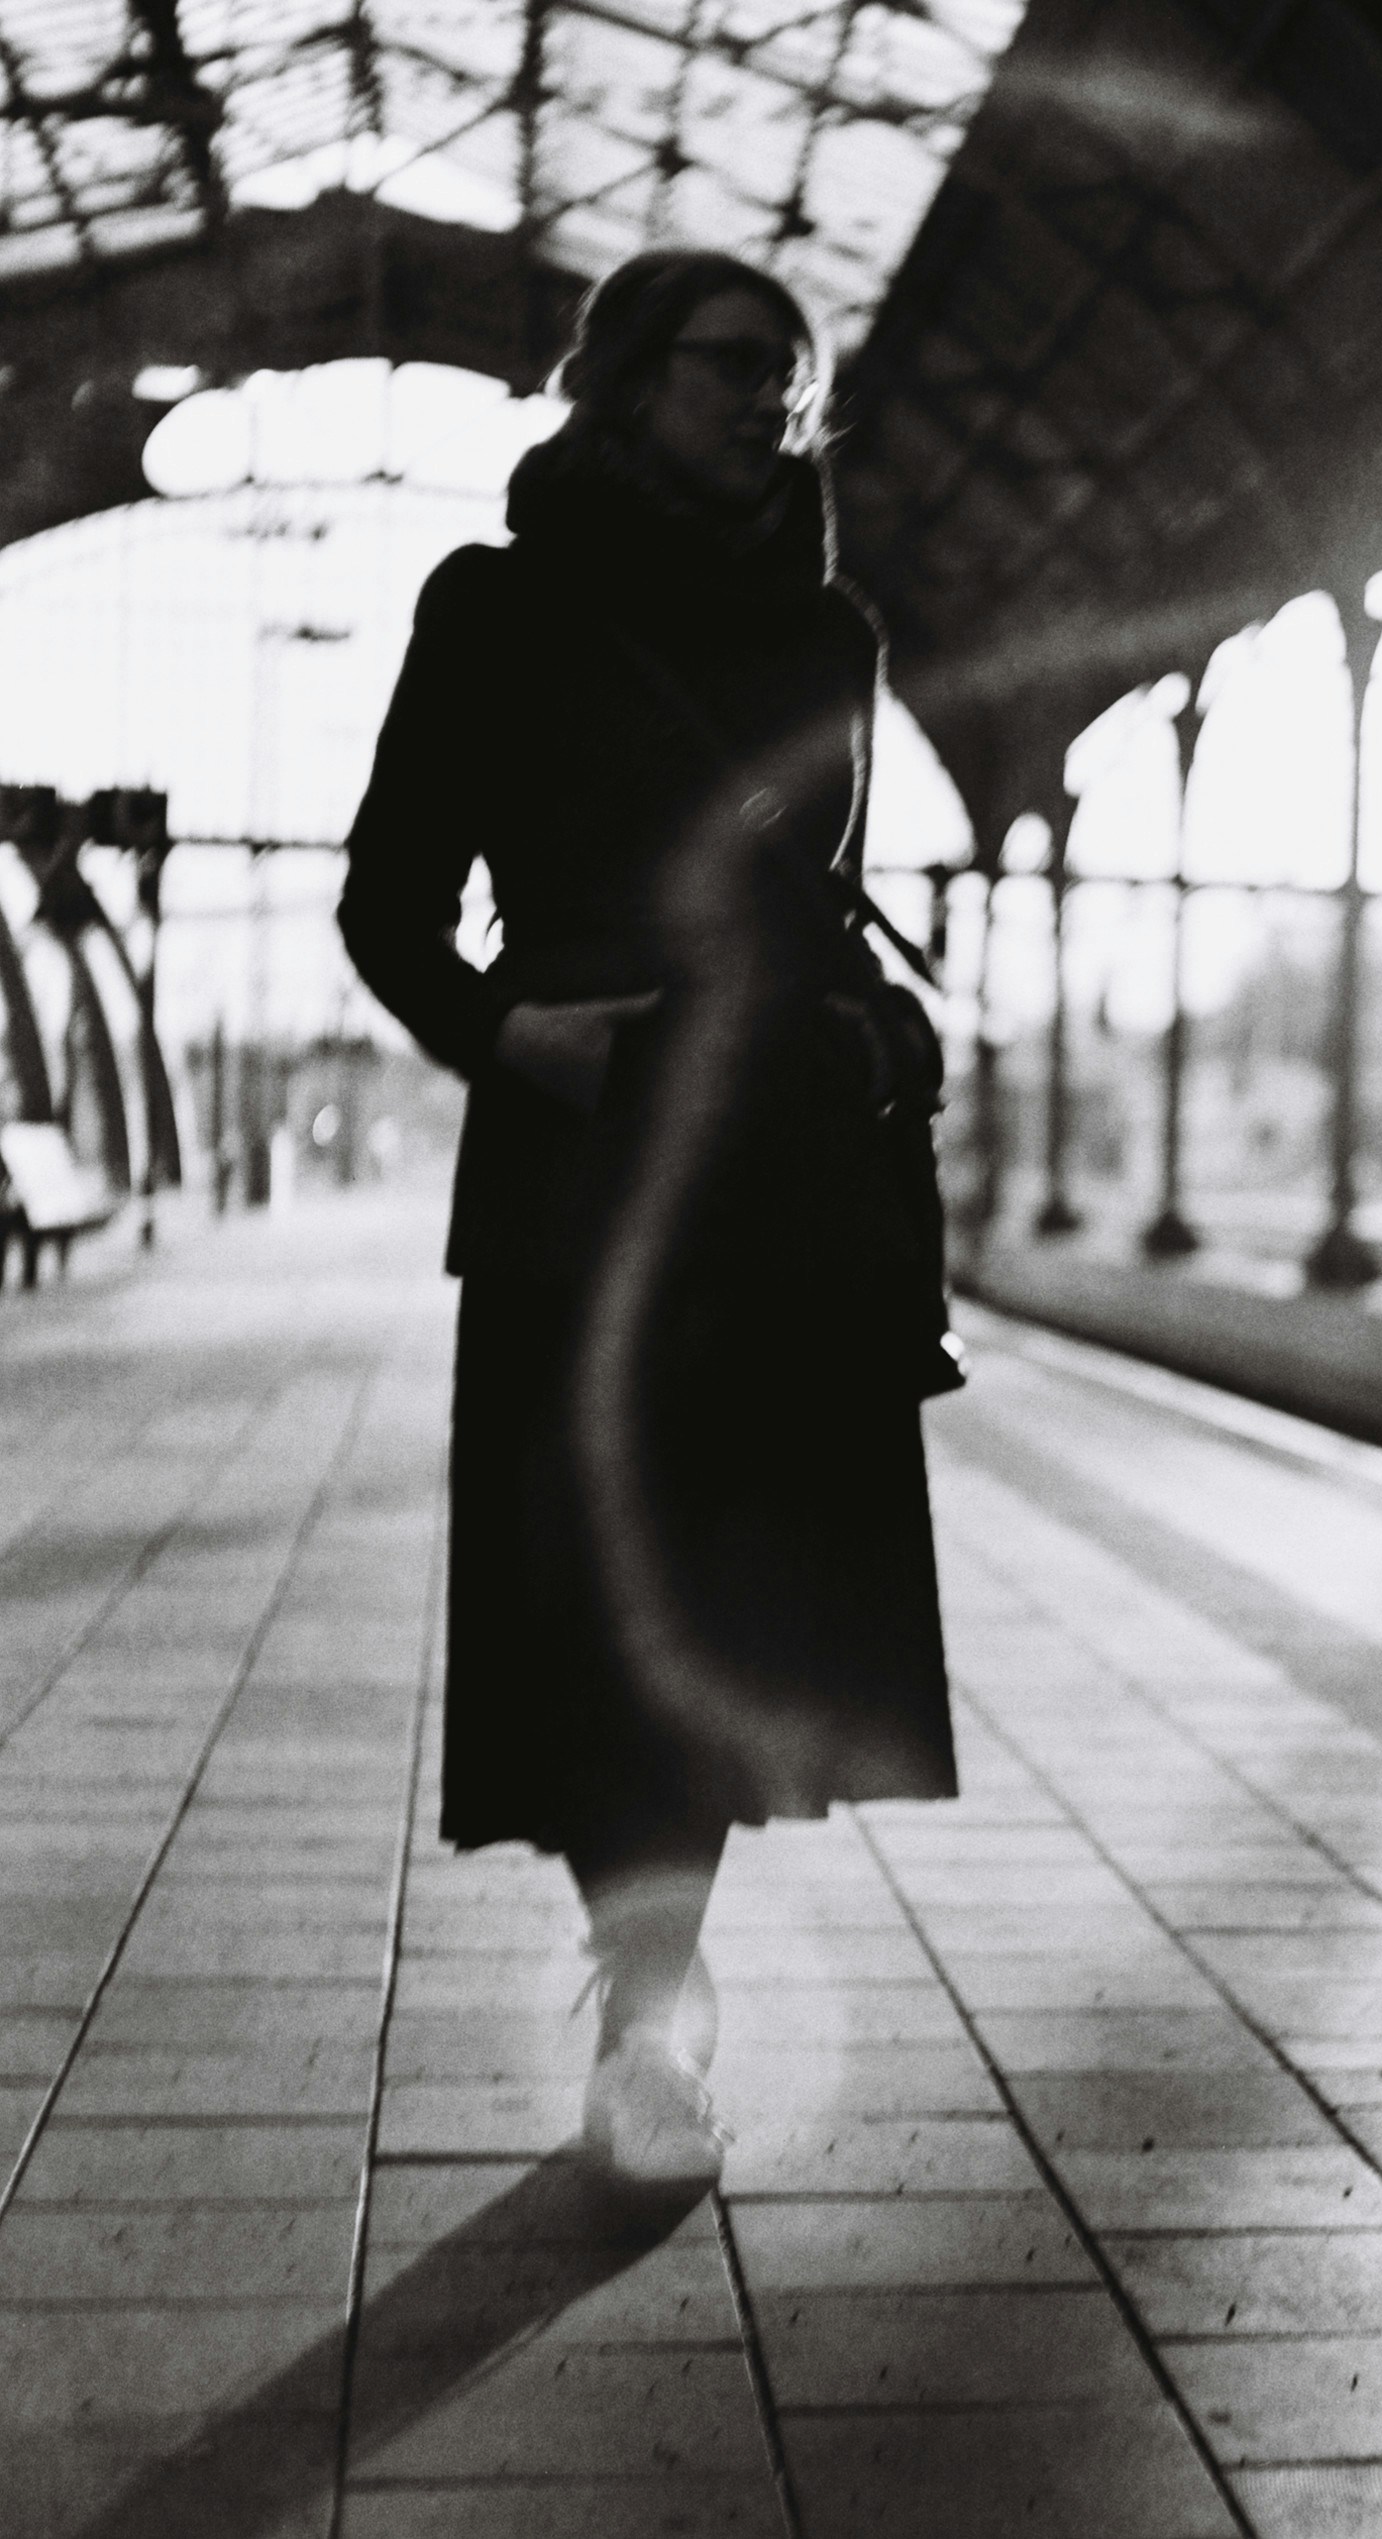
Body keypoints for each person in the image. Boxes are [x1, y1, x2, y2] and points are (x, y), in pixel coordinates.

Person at [340, 249, 960, 2188]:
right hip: (586, 1165)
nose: (769, 395)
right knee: (599, 1616)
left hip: (781, 1172)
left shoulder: (830, 627)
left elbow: (814, 896)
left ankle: (651, 2007)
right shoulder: (500, 604)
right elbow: (386, 902)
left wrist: (873, 1029)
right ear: (621, 380)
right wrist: (507, 1036)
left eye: (792, 370)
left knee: (729, 1610)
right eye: (729, 361)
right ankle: (648, 2005)